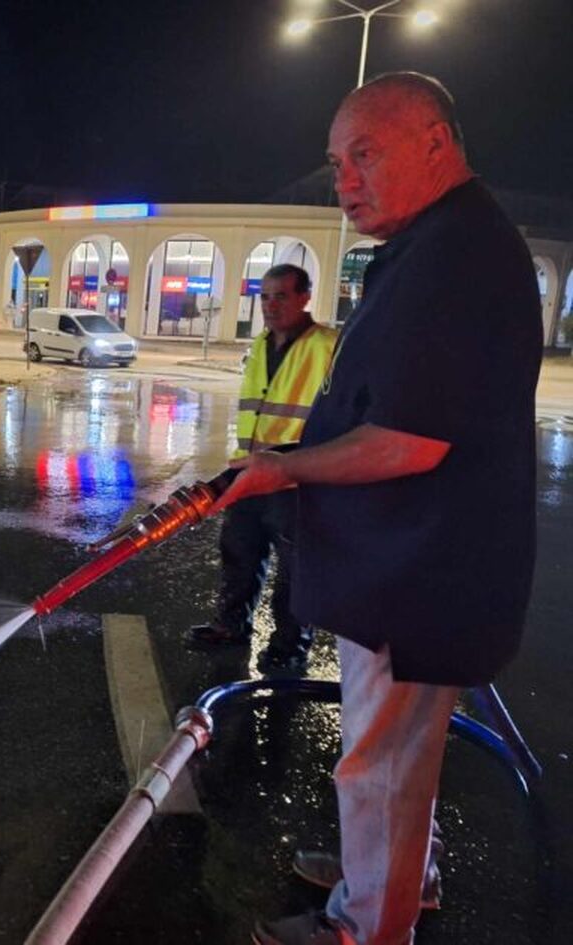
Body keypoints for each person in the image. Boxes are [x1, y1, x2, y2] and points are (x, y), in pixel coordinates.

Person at [214, 73, 542, 945]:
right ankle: (394, 874)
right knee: (395, 761)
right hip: (419, 562)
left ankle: (365, 925)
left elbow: (409, 441)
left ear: (436, 142)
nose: (344, 181)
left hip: (420, 571)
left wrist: (281, 468)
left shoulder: (456, 258)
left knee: (384, 765)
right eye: (335, 163)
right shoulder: (442, 243)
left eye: (365, 155)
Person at [188, 264, 337, 676]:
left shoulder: (328, 345)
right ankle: (231, 626)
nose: (270, 306)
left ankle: (289, 648)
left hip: (296, 477)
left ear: (305, 297)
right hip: (251, 473)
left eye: (281, 296)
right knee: (238, 552)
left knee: (294, 570)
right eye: (265, 296)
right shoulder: (259, 344)